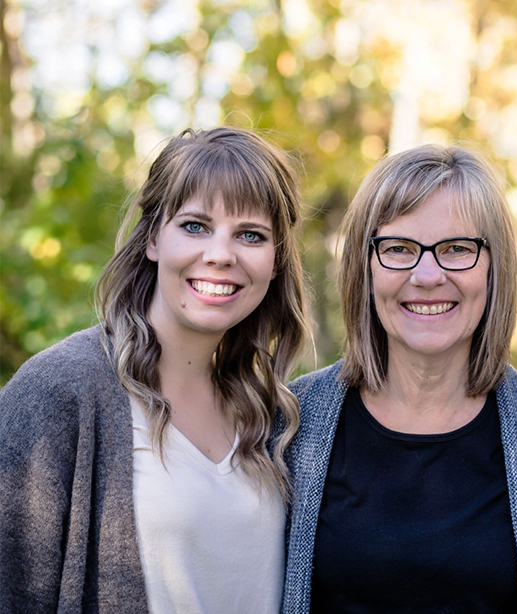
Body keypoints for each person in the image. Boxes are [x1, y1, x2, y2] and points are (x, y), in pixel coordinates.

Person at [0, 127, 311, 613]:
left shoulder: (275, 414)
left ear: (274, 263)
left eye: (250, 235)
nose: (220, 254)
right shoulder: (58, 393)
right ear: (151, 240)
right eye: (194, 226)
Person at [283, 144, 517, 613]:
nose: (427, 275)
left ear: (494, 267)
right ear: (365, 267)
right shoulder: (294, 422)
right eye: (398, 249)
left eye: (457, 249)